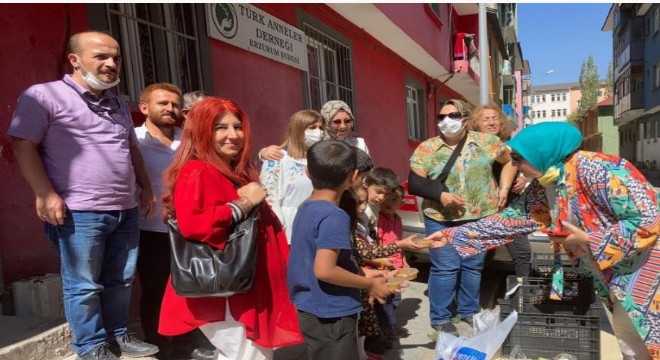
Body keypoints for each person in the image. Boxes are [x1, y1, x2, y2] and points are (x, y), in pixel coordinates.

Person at [424, 122, 660, 359]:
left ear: (541, 151)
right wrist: (450, 236)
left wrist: (589, 238)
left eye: (517, 157)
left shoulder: (603, 169)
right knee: (632, 343)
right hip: (614, 277)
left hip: (646, 272)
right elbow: (514, 220)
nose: (513, 165)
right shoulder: (548, 179)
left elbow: (650, 218)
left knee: (650, 338)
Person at [8, 31, 159, 360]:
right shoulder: (43, 96)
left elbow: (131, 149)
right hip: (79, 212)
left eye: (116, 57)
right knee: (85, 285)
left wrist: (145, 187)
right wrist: (44, 193)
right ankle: (90, 345)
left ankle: (118, 335)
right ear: (74, 60)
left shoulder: (117, 103)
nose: (111, 63)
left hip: (125, 208)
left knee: (120, 280)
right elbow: (22, 145)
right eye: (101, 56)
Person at [159, 98, 303, 360]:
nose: (233, 135)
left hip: (246, 286)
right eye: (220, 127)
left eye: (237, 127)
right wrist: (245, 202)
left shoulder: (230, 169)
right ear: (201, 130)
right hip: (228, 291)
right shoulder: (197, 170)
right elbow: (194, 225)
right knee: (248, 355)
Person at [407, 99, 516, 336]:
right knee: (446, 268)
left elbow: (510, 162)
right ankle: (441, 317)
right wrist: (440, 194)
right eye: (441, 117)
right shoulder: (427, 148)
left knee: (472, 267)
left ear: (466, 120)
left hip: (480, 217)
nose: (446, 121)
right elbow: (415, 182)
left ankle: (467, 311)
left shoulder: (487, 142)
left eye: (453, 116)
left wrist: (504, 188)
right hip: (440, 217)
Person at [287, 140, 390, 360]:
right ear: (353, 176)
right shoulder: (334, 217)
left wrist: (362, 273)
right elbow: (325, 270)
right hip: (332, 314)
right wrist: (369, 283)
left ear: (307, 171)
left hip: (312, 308)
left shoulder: (306, 207)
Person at [134, 83, 213, 360]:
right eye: (162, 103)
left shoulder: (189, 141)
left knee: (189, 289)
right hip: (150, 229)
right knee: (155, 292)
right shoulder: (135, 140)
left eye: (174, 104)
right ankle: (158, 347)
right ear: (145, 107)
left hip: (188, 229)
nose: (170, 109)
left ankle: (185, 346)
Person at [468, 104, 532, 309]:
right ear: (476, 123)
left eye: (495, 118)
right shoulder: (472, 146)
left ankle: (526, 297)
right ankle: (469, 299)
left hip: (509, 207)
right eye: (485, 118)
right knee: (481, 255)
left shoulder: (508, 146)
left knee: (521, 252)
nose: (491, 122)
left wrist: (522, 177)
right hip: (483, 209)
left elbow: (521, 165)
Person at [259, 110, 323, 243]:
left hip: (318, 226)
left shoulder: (321, 159)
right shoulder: (277, 158)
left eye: (321, 128)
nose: (319, 132)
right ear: (298, 130)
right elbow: (270, 195)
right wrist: (278, 227)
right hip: (288, 230)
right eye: (312, 128)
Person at [258, 100, 369, 161]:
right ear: (328, 123)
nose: (343, 126)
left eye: (347, 121)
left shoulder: (359, 143)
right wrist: (262, 153)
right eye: (337, 122)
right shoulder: (320, 146)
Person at [375, 186, 410, 341]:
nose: (389, 203)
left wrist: (404, 261)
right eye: (387, 198)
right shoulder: (379, 220)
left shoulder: (398, 220)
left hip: (397, 268)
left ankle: (386, 326)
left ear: (401, 203)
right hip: (385, 268)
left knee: (395, 299)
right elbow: (378, 244)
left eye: (394, 200)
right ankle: (389, 329)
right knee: (387, 301)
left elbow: (400, 243)